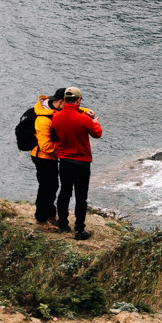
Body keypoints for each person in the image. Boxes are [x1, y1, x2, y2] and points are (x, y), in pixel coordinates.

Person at [48, 87, 103, 240]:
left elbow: (56, 134)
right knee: (80, 196)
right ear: (78, 100)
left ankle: (63, 225)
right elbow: (97, 134)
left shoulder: (56, 117)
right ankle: (79, 230)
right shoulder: (84, 119)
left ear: (64, 100)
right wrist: (94, 121)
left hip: (64, 160)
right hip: (82, 162)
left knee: (64, 193)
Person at [31, 88, 66, 226]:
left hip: (48, 156)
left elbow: (75, 109)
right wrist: (62, 149)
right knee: (46, 187)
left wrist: (85, 111)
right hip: (42, 156)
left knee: (52, 186)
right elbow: (45, 145)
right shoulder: (43, 119)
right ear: (61, 102)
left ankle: (50, 215)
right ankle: (41, 218)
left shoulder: (53, 110)